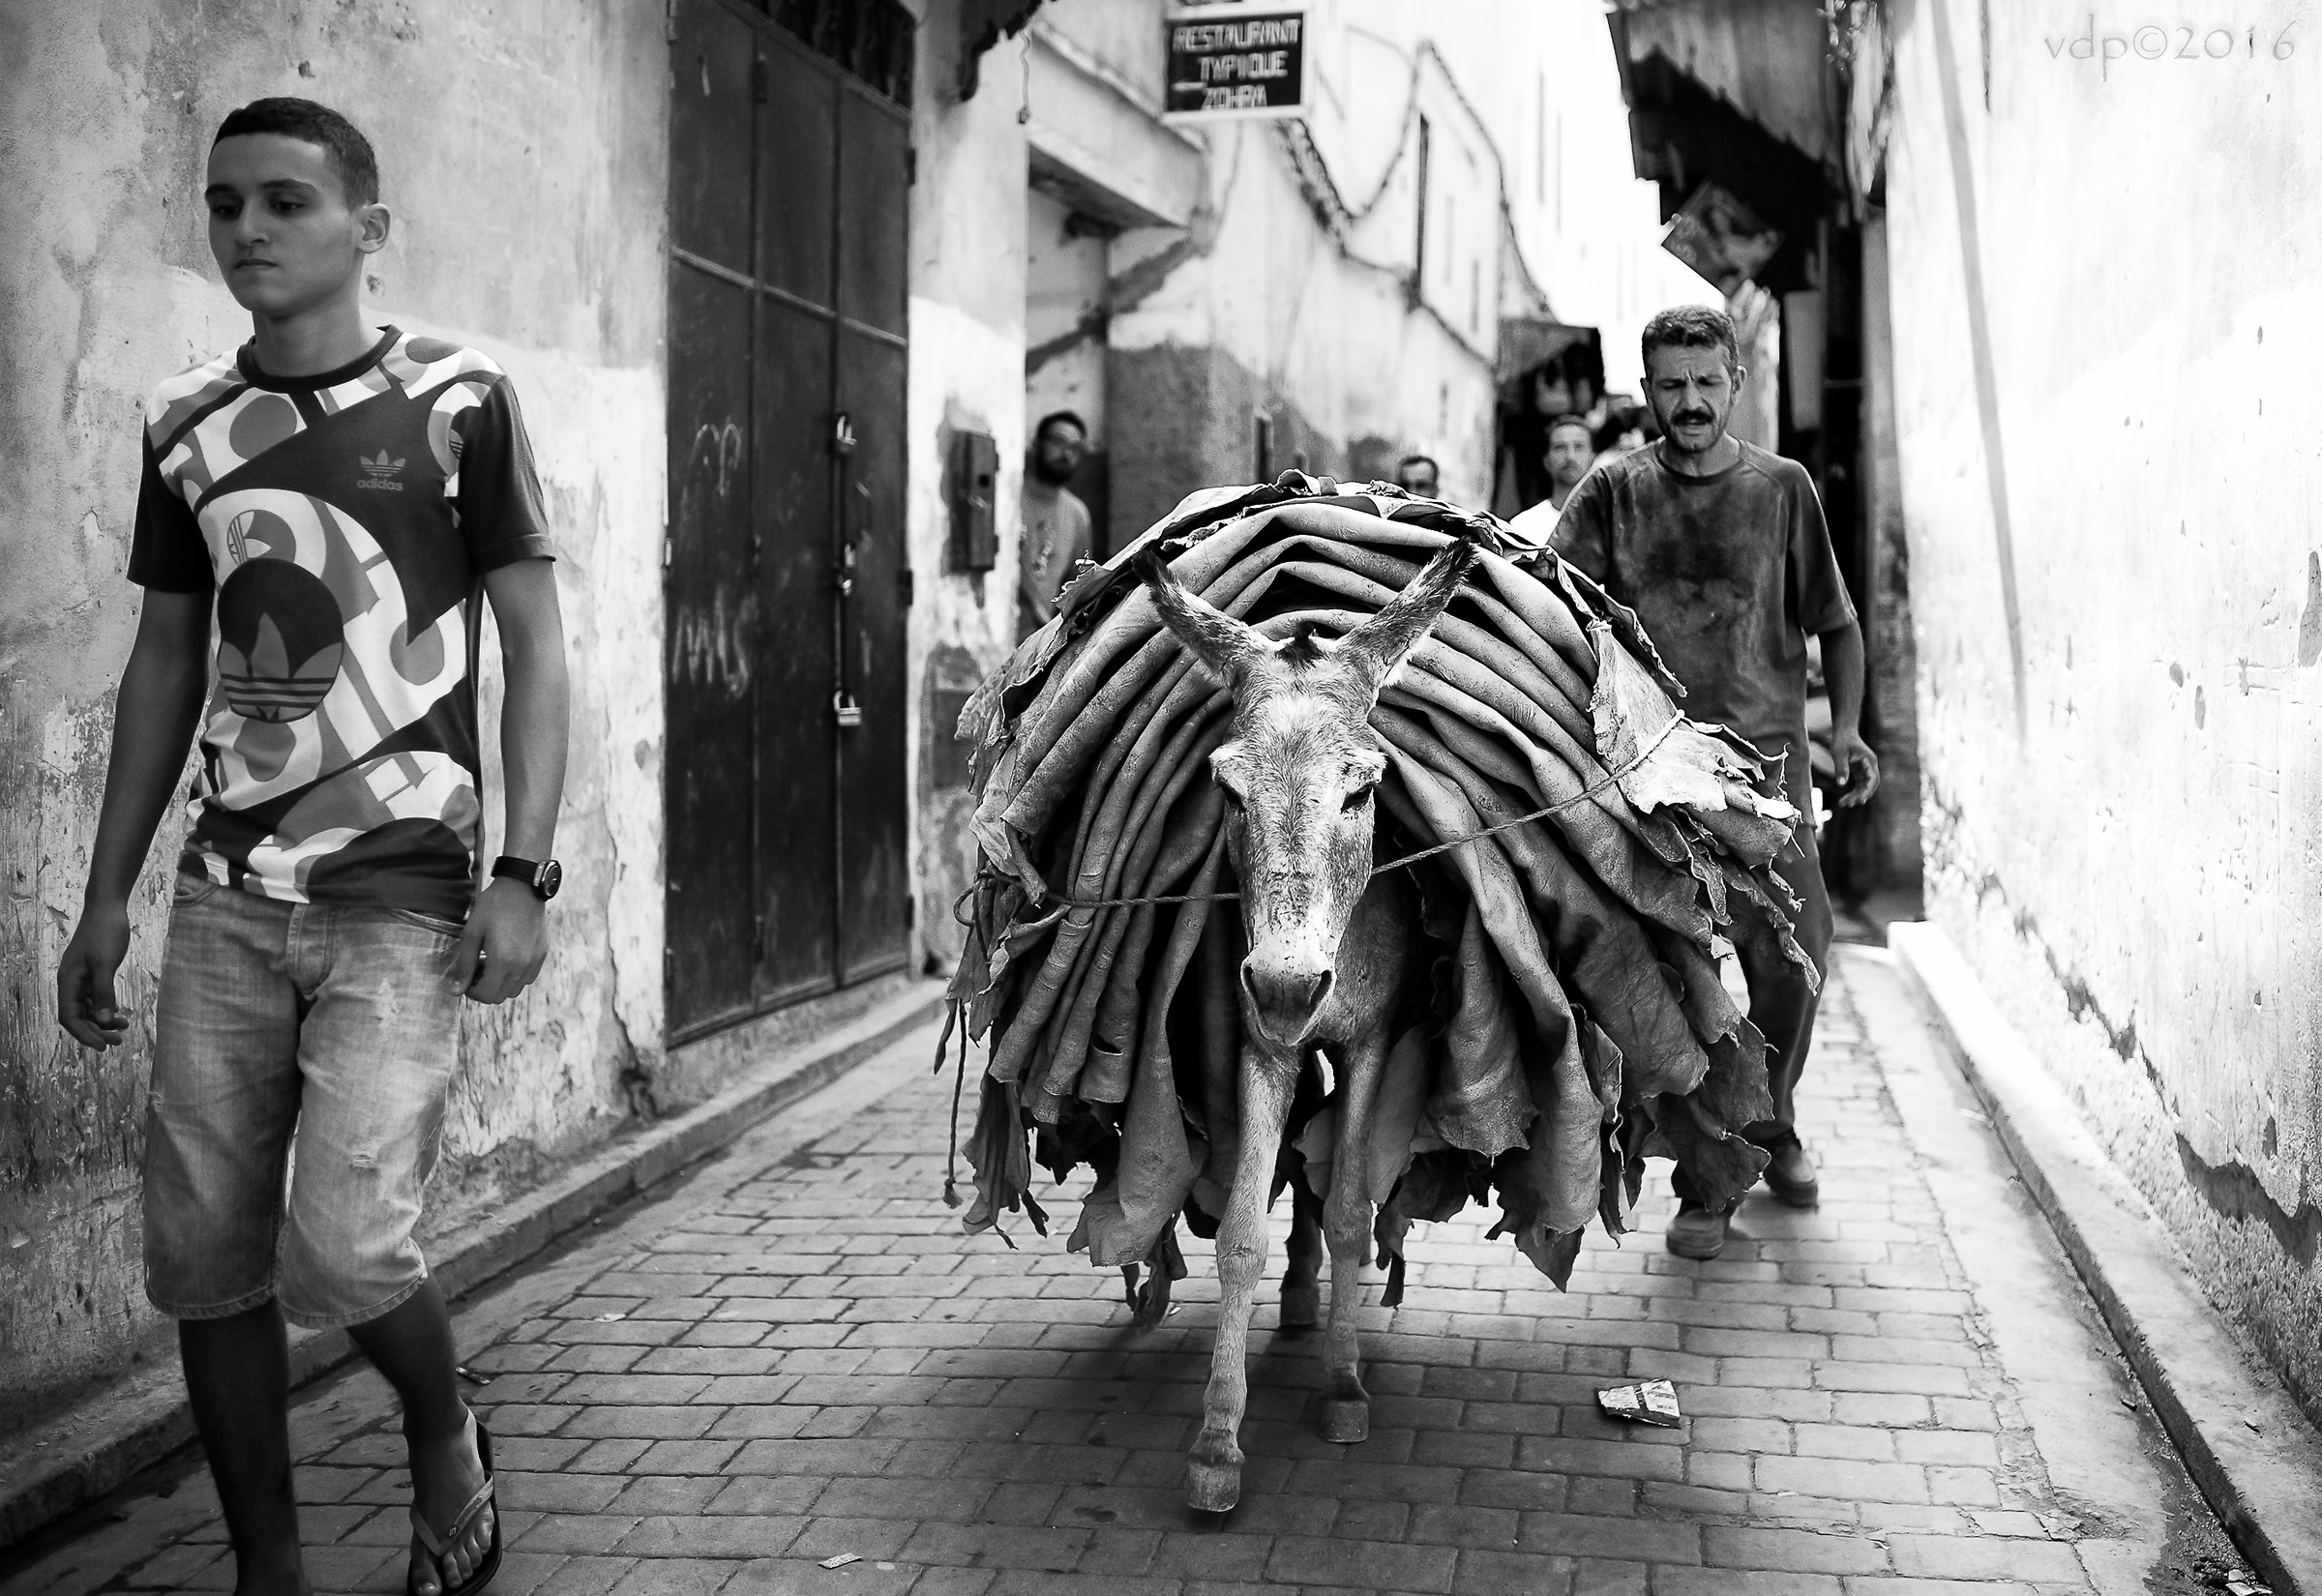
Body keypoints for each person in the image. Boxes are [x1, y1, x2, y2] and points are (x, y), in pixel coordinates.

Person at [53, 99, 568, 1596]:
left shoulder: (462, 400)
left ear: (368, 224)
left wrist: (523, 874)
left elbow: (535, 645)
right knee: (205, 1262)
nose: (250, 231)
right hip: (225, 901)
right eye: (225, 206)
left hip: (405, 900)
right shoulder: (182, 423)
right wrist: (105, 896)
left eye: (286, 201)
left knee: (342, 1252)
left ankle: (439, 1418)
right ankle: (265, 1572)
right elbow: (164, 662)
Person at [1549, 305, 1879, 1261]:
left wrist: (1847, 729)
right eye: (1671, 385)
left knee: (1797, 961)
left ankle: (1769, 1126)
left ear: (1735, 383)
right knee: (1681, 990)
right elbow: (1554, 608)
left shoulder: (1785, 489)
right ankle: (1709, 1179)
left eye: (1706, 382)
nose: (1689, 402)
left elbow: (1840, 623)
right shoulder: (1613, 490)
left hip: (1768, 789)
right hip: (1651, 786)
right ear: (1647, 391)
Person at [1019, 409, 1093, 639]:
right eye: (1058, 441)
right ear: (1037, 443)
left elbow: (1079, 585)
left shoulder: (1077, 513)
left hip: (1039, 644)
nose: (1066, 453)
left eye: (1075, 448)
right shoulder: (1008, 496)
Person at [1506, 414, 1599, 543]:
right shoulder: (1523, 526)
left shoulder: (1611, 521)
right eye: (1560, 447)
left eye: (1579, 447)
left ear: (1592, 458)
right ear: (1546, 461)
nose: (1570, 456)